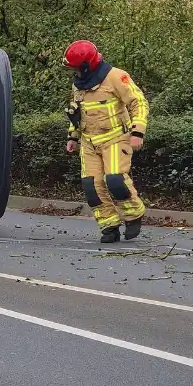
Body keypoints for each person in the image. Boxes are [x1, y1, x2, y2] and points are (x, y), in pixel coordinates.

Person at [62, 40, 149, 243]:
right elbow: (77, 112)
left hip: (116, 137)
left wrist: (138, 132)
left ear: (85, 65)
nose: (73, 71)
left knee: (116, 180)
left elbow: (138, 102)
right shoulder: (79, 84)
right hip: (89, 142)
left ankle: (134, 215)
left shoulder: (116, 77)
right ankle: (109, 226)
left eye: (75, 67)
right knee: (91, 185)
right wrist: (73, 136)